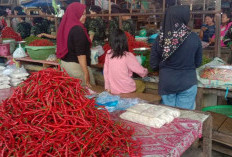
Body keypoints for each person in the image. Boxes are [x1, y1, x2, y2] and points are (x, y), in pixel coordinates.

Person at [150, 5, 202, 110]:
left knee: (168, 117)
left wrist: (160, 69)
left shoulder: (161, 38)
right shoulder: (194, 38)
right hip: (187, 82)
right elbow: (198, 62)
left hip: (167, 82)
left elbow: (153, 64)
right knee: (184, 117)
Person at [56, 2, 95, 87]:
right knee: (86, 93)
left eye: (85, 14)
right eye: (83, 14)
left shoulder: (67, 26)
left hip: (66, 65)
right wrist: (86, 74)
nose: (85, 17)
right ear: (75, 14)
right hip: (76, 68)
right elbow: (81, 54)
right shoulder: (78, 30)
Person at [104, 29, 148, 94]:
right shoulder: (128, 55)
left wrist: (107, 87)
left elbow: (105, 72)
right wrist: (146, 72)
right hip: (127, 89)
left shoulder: (108, 53)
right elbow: (141, 71)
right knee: (141, 84)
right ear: (124, 41)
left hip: (113, 90)